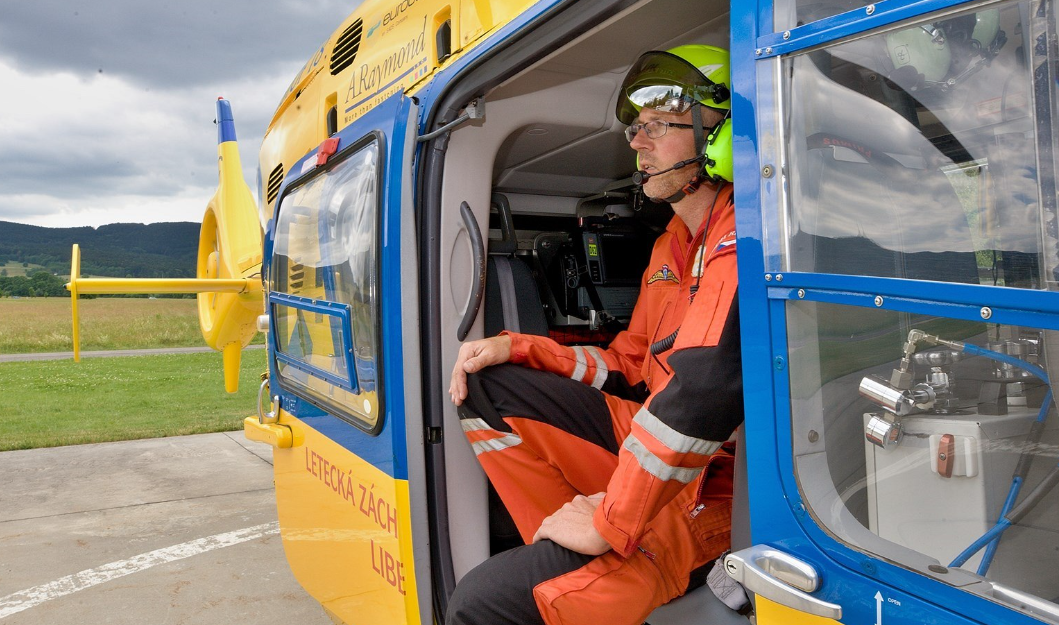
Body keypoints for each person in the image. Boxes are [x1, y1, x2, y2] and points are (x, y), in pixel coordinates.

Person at [446, 44, 744, 625]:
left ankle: (608, 552)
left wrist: (614, 520)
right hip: (655, 450)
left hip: (713, 487)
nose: (637, 141)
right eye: (635, 127)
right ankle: (567, 544)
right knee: (487, 386)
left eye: (658, 124)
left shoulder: (742, 233)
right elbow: (629, 366)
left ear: (720, 134)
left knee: (478, 606)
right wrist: (518, 346)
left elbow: (705, 392)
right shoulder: (669, 246)